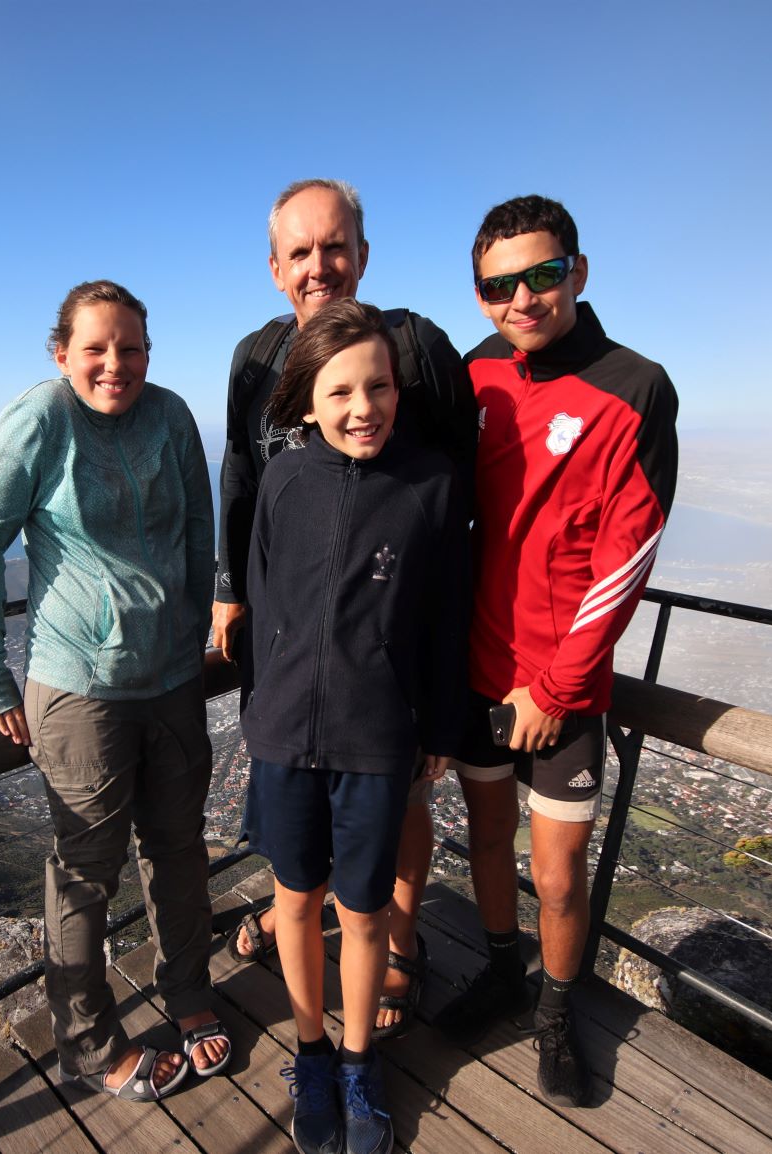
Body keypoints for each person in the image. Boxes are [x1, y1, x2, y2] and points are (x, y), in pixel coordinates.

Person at [0, 280, 229, 1102]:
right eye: (98, 348)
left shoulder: (172, 416)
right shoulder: (40, 419)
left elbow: (198, 531)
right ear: (62, 352)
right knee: (85, 874)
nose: (117, 364)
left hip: (173, 679)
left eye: (132, 348)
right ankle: (86, 1041)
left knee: (179, 851)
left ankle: (188, 994)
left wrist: (196, 625)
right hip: (79, 688)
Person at [215, 178, 476, 1039]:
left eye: (335, 248)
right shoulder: (257, 360)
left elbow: (453, 503)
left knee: (397, 805)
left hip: (384, 654)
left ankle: (397, 944)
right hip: (294, 665)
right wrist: (227, 592)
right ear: (275, 267)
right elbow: (243, 482)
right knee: (304, 828)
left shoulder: (415, 346)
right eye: (301, 252)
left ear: (362, 255)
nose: (319, 266)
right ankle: (316, 934)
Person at [436, 196, 678, 1107]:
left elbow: (630, 554)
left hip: (560, 687)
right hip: (476, 668)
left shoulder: (636, 386)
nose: (522, 299)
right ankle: (503, 972)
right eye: (500, 285)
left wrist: (557, 686)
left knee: (559, 875)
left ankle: (554, 1013)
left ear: (578, 270)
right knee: (489, 841)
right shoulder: (478, 372)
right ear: (481, 293)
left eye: (541, 275)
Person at [244, 299, 468, 1154]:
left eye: (379, 386)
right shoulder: (283, 480)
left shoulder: (431, 487)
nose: (363, 405)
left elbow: (448, 619)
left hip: (379, 736)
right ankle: (310, 1053)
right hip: (284, 736)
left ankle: (357, 1060)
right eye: (341, 391)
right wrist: (262, 708)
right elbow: (265, 599)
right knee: (295, 902)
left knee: (365, 911)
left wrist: (440, 723)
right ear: (307, 402)